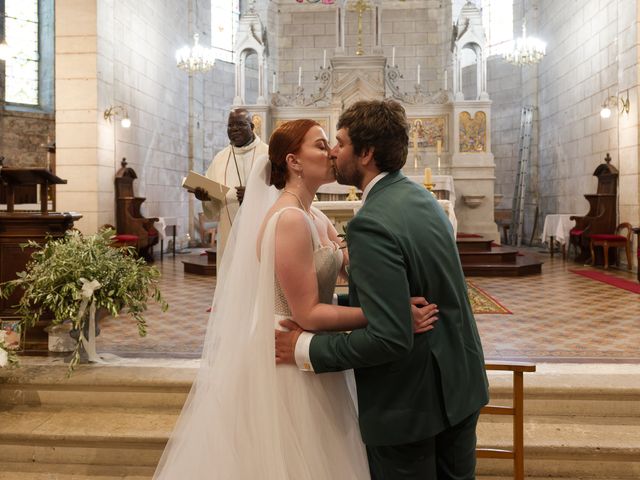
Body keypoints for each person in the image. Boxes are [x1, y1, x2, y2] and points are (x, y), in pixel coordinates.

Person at [153, 119, 438, 479]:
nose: (331, 152)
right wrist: (390, 316)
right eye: (320, 145)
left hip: (315, 346)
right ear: (294, 161)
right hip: (288, 347)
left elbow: (353, 267)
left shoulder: (314, 215)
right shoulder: (289, 220)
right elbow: (309, 312)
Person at [276, 100, 489, 480]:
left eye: (340, 141)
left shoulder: (372, 223)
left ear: (367, 152)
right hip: (459, 384)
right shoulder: (423, 200)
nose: (334, 151)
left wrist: (304, 347)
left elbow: (389, 337)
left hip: (409, 405)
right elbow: (395, 296)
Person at [195, 108, 268, 262]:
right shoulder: (220, 158)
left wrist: (254, 193)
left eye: (240, 124)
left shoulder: (268, 154)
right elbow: (214, 200)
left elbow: (280, 190)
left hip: (260, 231)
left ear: (252, 127)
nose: (234, 129)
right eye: (230, 125)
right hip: (228, 233)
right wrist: (205, 198)